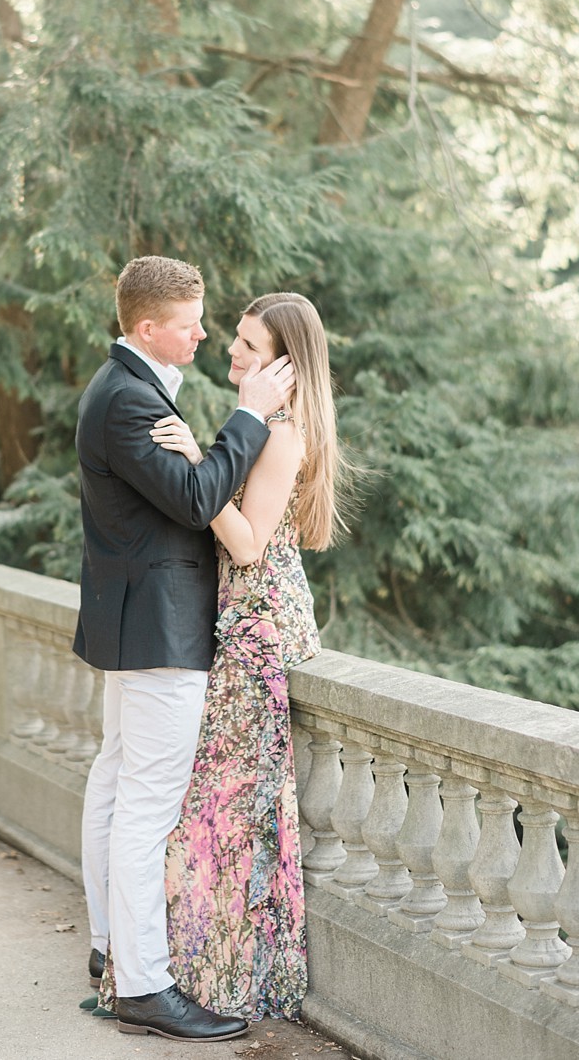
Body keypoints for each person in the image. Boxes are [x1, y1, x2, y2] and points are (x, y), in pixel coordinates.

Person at [73, 256, 296, 1043]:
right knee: (144, 807)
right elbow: (202, 501)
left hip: (133, 622)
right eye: (191, 322)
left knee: (112, 784)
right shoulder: (131, 402)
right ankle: (142, 984)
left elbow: (186, 491)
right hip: (160, 632)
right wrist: (248, 419)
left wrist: (207, 444)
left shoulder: (126, 391)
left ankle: (109, 951)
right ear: (146, 329)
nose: (204, 333)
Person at [145, 291, 346, 1021]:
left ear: (285, 368)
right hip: (238, 617)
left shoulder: (283, 433)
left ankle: (223, 980)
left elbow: (250, 544)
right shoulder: (266, 425)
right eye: (236, 338)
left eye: (250, 347)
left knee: (225, 813)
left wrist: (199, 457)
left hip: (257, 627)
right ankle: (188, 972)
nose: (232, 352)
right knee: (212, 810)